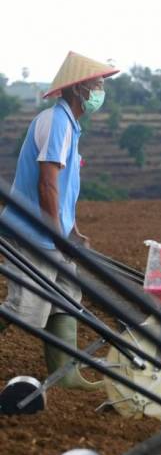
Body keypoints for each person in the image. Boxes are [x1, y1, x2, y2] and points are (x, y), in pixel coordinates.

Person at [0, 51, 118, 390]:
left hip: (51, 232)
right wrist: (56, 232)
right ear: (78, 88)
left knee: (67, 296)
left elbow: (64, 190)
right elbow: (46, 182)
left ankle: (66, 375)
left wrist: (72, 231)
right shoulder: (56, 122)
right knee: (26, 312)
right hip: (31, 233)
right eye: (97, 85)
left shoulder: (70, 124)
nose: (100, 92)